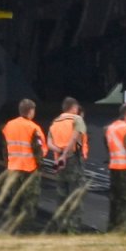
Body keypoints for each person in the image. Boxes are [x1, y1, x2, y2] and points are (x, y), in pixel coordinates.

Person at [0, 99, 47, 232]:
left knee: (15, 199)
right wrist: (40, 166)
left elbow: (5, 149)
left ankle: (13, 228)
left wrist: (7, 164)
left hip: (13, 167)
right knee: (30, 200)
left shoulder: (8, 126)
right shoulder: (33, 128)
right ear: (31, 111)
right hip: (30, 168)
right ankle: (26, 229)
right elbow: (39, 149)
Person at [46, 97, 88, 233]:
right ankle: (74, 229)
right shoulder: (77, 119)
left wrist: (58, 151)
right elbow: (75, 137)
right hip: (73, 160)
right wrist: (65, 153)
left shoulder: (55, 122)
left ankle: (61, 228)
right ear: (74, 108)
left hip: (59, 162)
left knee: (61, 195)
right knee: (75, 195)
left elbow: (49, 143)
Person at [105, 102, 126, 232]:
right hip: (125, 168)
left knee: (114, 199)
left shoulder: (111, 127)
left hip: (113, 166)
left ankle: (112, 226)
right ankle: (124, 228)